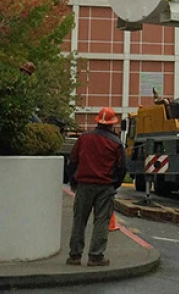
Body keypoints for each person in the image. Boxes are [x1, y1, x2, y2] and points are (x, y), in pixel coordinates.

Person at [65, 107, 127, 266]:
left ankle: (74, 256)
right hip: (105, 187)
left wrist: (73, 181)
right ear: (112, 124)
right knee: (101, 221)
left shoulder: (84, 138)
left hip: (84, 185)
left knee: (79, 220)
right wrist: (114, 184)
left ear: (98, 122)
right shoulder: (116, 143)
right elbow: (122, 168)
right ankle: (96, 256)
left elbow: (73, 160)